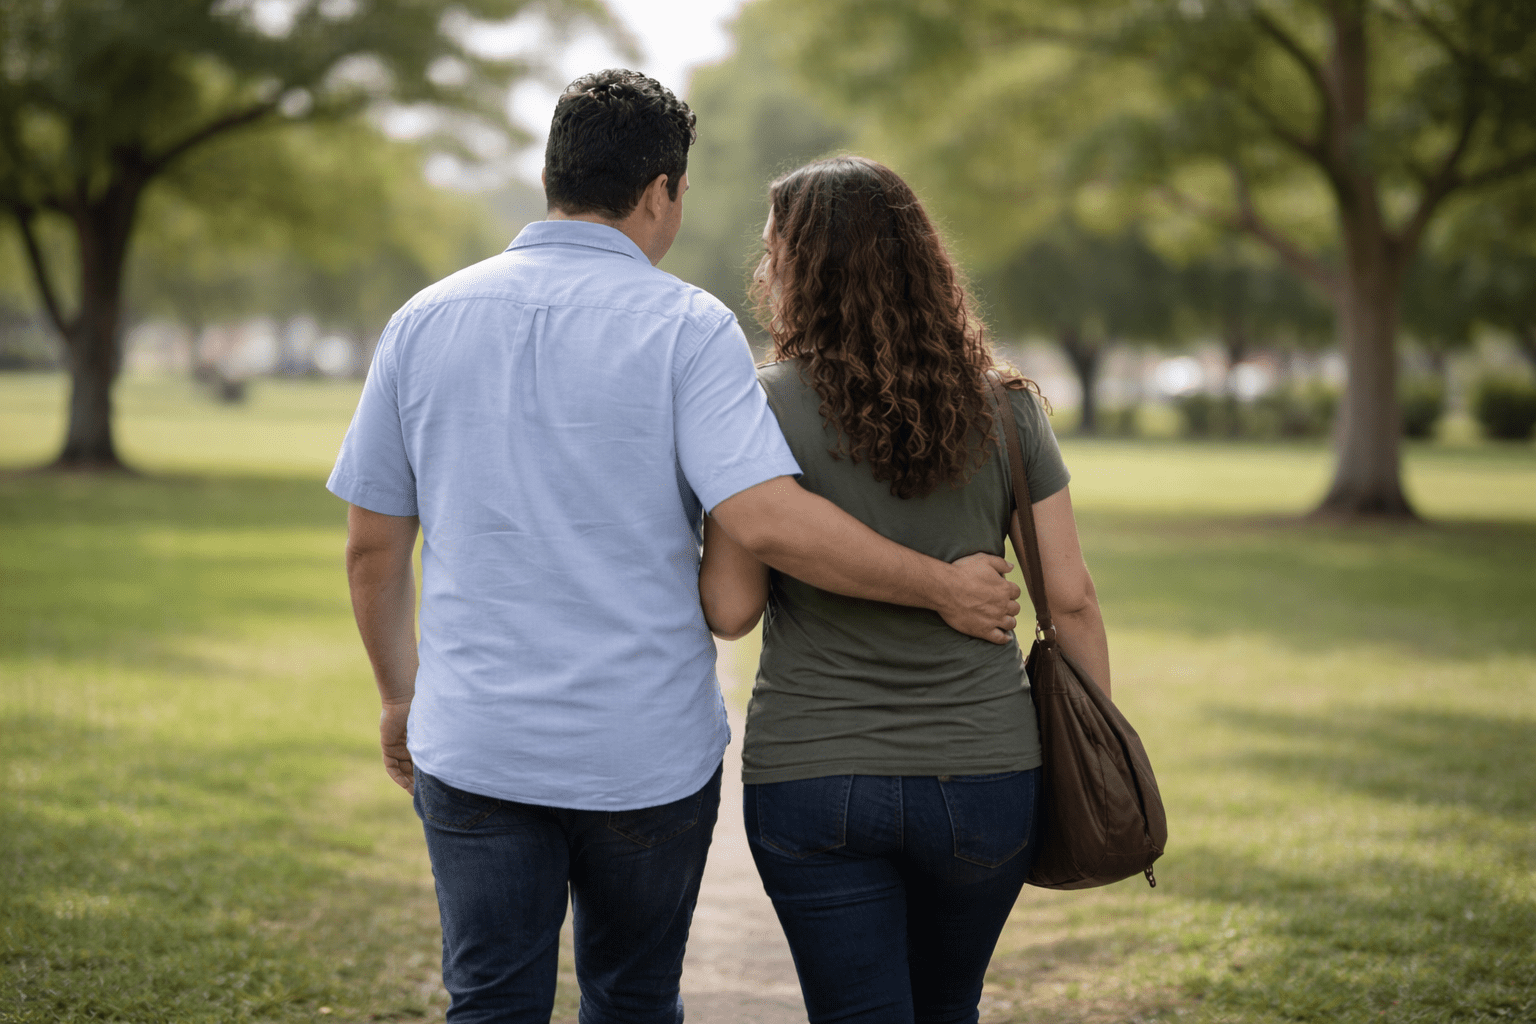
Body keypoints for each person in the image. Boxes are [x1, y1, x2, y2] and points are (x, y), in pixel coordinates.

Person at [330, 74, 1021, 1024]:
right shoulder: (690, 328)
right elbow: (769, 522)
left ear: (552, 174)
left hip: (478, 741)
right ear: (663, 191)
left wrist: (400, 699)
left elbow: (373, 549)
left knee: (488, 1001)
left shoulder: (422, 322)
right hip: (642, 755)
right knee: (634, 997)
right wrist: (941, 586)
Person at [698, 156, 1112, 1024]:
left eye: (774, 250)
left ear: (795, 269)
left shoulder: (756, 406)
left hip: (815, 777)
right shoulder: (1009, 410)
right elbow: (1068, 600)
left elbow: (731, 611)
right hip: (987, 774)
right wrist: (1099, 749)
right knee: (946, 1009)